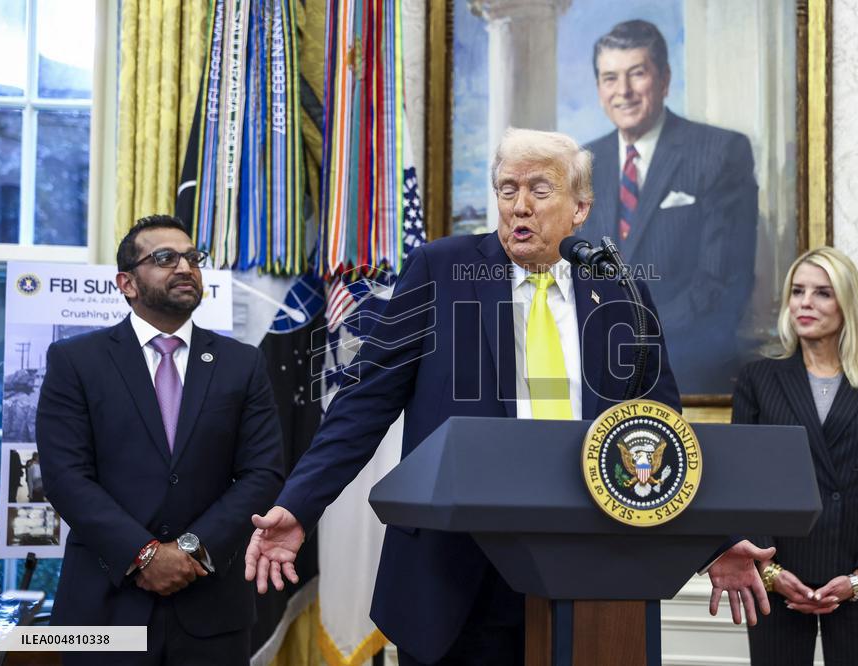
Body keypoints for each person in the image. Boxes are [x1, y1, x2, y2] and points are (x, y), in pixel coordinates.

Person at [245, 129, 773, 665]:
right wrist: (298, 504)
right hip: (456, 568)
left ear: (581, 208)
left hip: (592, 562)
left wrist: (715, 540)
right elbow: (363, 402)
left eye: (540, 190)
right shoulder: (441, 270)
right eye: (506, 189)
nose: (519, 206)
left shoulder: (620, 290)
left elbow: (658, 429)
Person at [36, 215, 285, 665]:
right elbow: (66, 477)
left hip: (212, 610)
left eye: (192, 258)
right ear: (127, 283)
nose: (185, 268)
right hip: (104, 610)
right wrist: (144, 555)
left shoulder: (242, 364)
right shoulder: (76, 362)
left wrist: (190, 550)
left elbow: (262, 473)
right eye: (165, 258)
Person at [731, 247, 858, 666]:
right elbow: (743, 488)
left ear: (846, 304)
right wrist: (772, 573)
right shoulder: (758, 380)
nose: (805, 303)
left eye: (822, 293)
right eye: (798, 291)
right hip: (777, 576)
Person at [581, 19, 759, 395]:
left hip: (688, 371)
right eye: (610, 78)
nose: (623, 91)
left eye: (637, 74)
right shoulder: (582, 163)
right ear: (599, 88)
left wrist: (635, 338)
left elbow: (722, 283)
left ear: (664, 79)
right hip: (596, 373)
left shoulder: (719, 152)